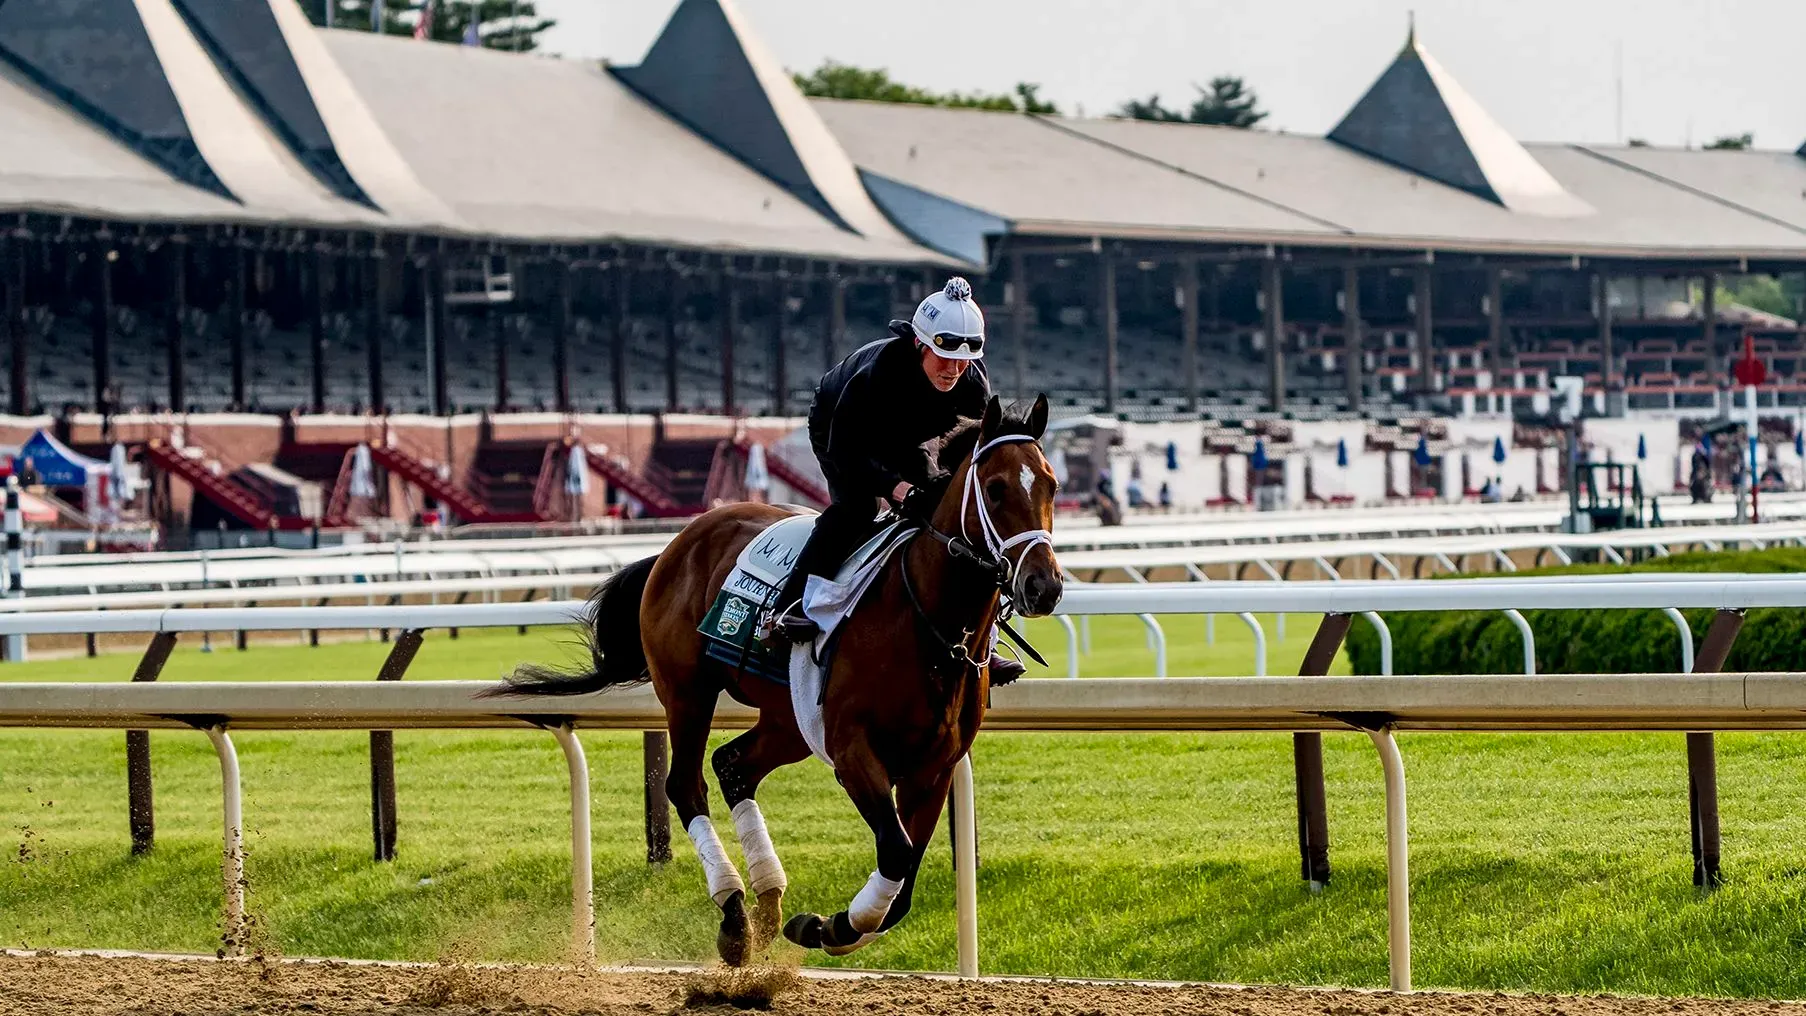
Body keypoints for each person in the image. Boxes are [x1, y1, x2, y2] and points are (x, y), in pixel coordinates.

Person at [760, 278, 1025, 683]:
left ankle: (982, 638)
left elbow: (964, 456)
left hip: (913, 437)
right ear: (920, 344)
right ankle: (787, 608)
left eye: (963, 360)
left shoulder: (972, 384)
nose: (954, 369)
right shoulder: (879, 373)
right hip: (842, 425)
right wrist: (896, 489)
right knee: (857, 508)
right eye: (943, 357)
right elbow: (847, 449)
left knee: (947, 516)